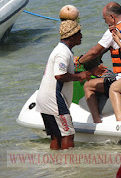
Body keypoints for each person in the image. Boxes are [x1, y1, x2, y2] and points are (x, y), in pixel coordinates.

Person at [78, 2, 121, 123]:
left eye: (105, 19)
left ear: (112, 17)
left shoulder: (113, 32)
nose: (105, 23)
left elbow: (94, 52)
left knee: (88, 86)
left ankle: (97, 122)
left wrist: (79, 61)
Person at [36, 18, 91, 150]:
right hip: (54, 99)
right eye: (79, 33)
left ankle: (57, 167)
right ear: (71, 36)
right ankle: (68, 168)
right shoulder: (62, 53)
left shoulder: (62, 50)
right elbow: (59, 75)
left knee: (56, 135)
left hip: (46, 98)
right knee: (68, 134)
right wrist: (79, 76)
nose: (81, 36)